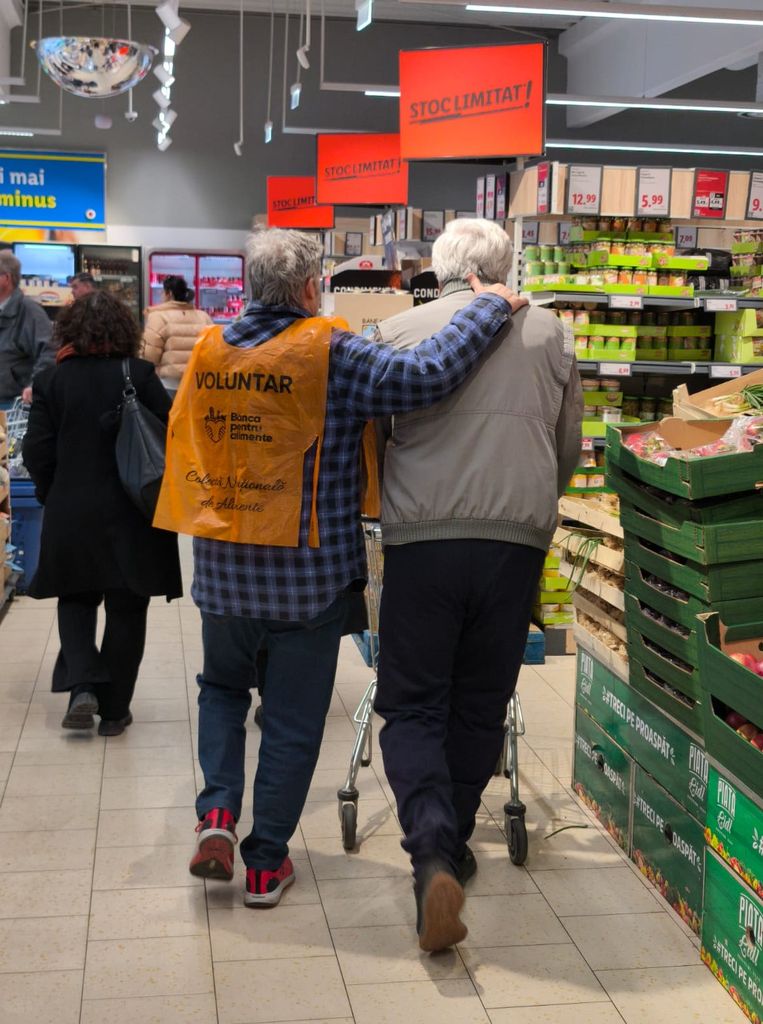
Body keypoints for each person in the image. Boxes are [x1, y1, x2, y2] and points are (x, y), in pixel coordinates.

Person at [151, 227, 526, 912]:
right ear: (307, 288)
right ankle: (264, 865)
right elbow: (426, 375)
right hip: (307, 581)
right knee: (291, 723)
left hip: (223, 571)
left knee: (222, 692)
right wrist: (489, 305)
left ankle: (217, 814)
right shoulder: (330, 352)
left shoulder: (209, 349)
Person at [373, 218, 583, 952]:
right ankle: (454, 842)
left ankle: (431, 852)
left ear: (440, 270)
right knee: (479, 703)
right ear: (505, 265)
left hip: (422, 541)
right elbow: (566, 443)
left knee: (412, 704)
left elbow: (377, 440)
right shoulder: (551, 334)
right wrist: (533, 504)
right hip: (514, 542)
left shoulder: (401, 331)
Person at [22, 291, 182, 736]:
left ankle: (83, 686)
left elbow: (36, 450)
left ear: (70, 331)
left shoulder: (52, 380)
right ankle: (114, 713)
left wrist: (52, 492)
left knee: (75, 598)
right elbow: (171, 438)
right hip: (134, 511)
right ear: (124, 330)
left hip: (71, 509)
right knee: (127, 608)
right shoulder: (140, 375)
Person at [141, 275, 213, 396]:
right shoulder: (204, 317)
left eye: (162, 292)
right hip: (199, 383)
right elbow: (212, 350)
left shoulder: (158, 317)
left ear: (169, 293)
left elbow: (150, 357)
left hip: (170, 385)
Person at [0, 250, 54, 408]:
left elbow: (50, 351)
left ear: (6, 278)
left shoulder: (30, 312)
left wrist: (34, 385)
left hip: (14, 405)